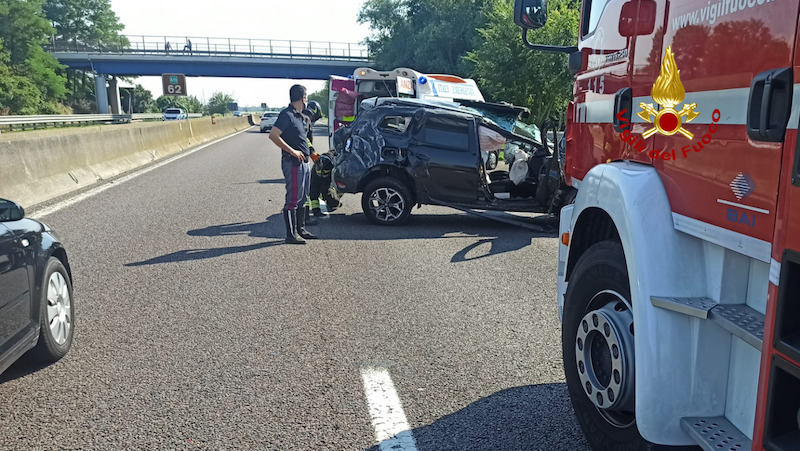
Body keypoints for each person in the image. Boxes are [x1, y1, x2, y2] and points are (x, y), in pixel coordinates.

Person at [269, 84, 318, 244]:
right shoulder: (287, 115)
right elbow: (274, 135)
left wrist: (310, 154)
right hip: (293, 163)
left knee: (303, 198)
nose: (307, 99)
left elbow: (305, 139)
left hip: (303, 163)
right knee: (293, 199)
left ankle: (301, 229)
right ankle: (290, 235)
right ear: (303, 98)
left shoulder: (299, 116)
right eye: (306, 96)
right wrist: (292, 151)